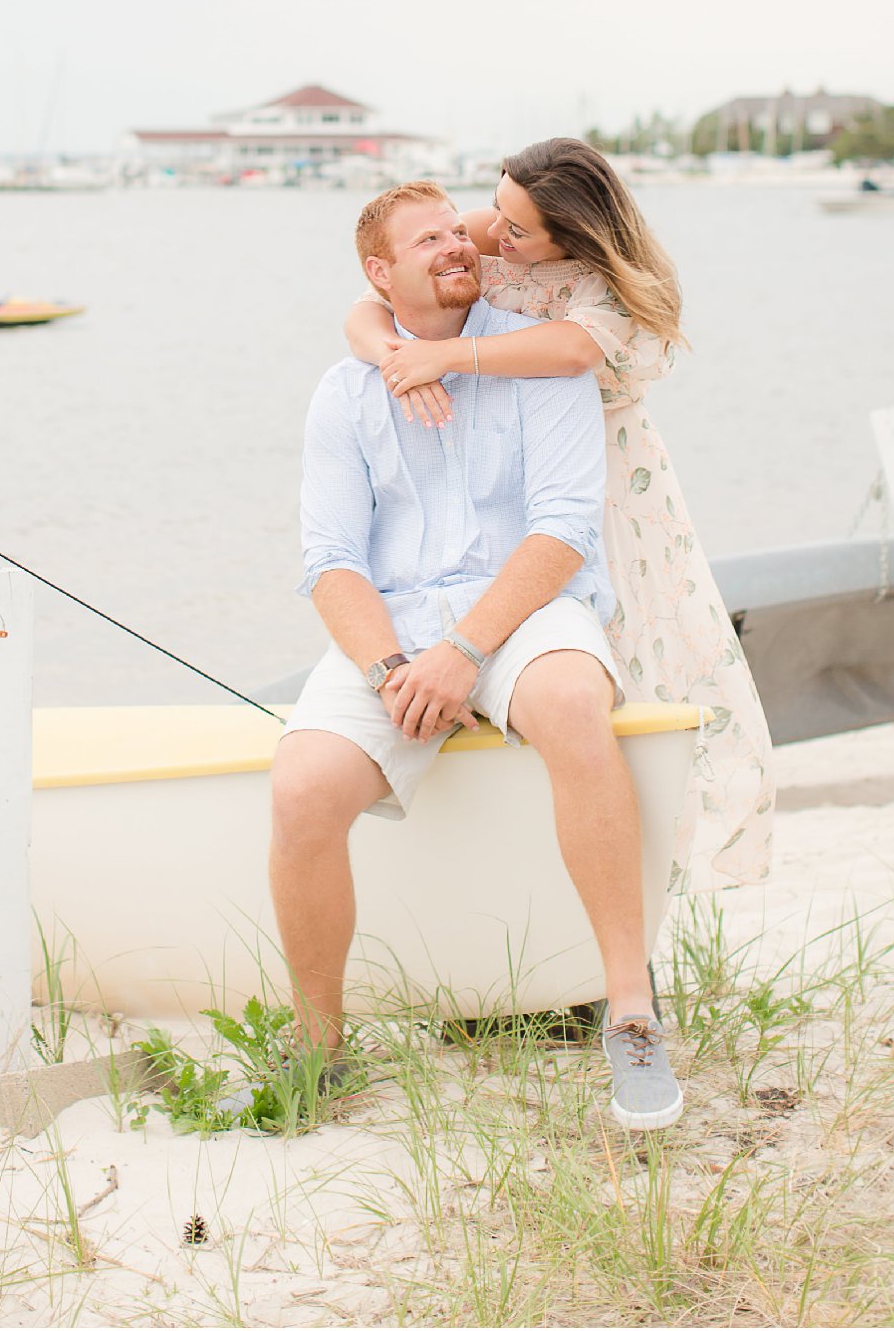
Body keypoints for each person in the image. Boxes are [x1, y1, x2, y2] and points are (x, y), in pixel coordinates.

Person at [271, 180, 683, 1131]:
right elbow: (331, 562)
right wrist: (389, 671)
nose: (456, 244)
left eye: (460, 229)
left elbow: (564, 533)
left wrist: (464, 651)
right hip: (399, 628)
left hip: (525, 606)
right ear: (381, 274)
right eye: (428, 239)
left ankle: (629, 1013)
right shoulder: (344, 390)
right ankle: (319, 1043)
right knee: (299, 790)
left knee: (576, 705)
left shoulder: (537, 361)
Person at [344, 138, 773, 891]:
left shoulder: (613, 288)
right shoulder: (497, 222)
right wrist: (393, 358)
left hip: (600, 487)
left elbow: (571, 350)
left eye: (515, 231)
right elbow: (368, 302)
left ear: (570, 236)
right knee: (505, 662)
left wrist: (444, 360)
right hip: (499, 472)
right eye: (498, 210)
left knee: (617, 670)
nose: (492, 237)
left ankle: (627, 890)